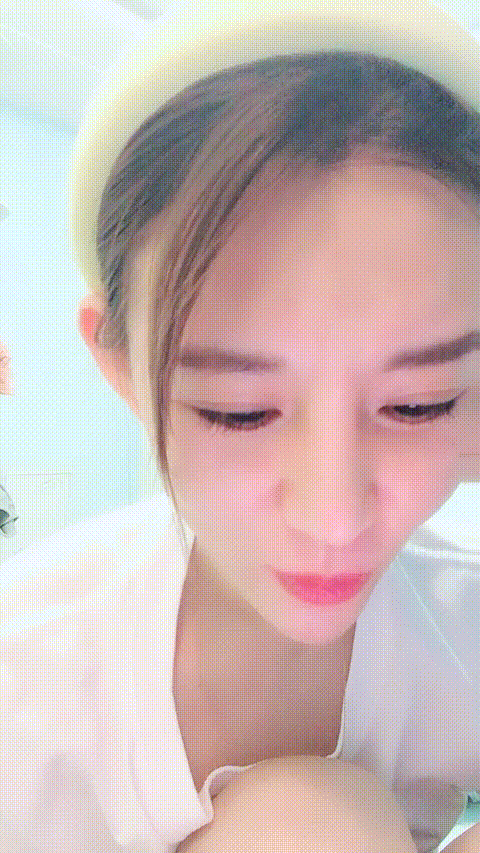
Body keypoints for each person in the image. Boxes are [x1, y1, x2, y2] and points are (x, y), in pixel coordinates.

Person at [1, 1, 479, 851]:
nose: (333, 516)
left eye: (420, 402)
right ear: (121, 368)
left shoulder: (461, 626)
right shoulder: (25, 691)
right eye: (238, 410)